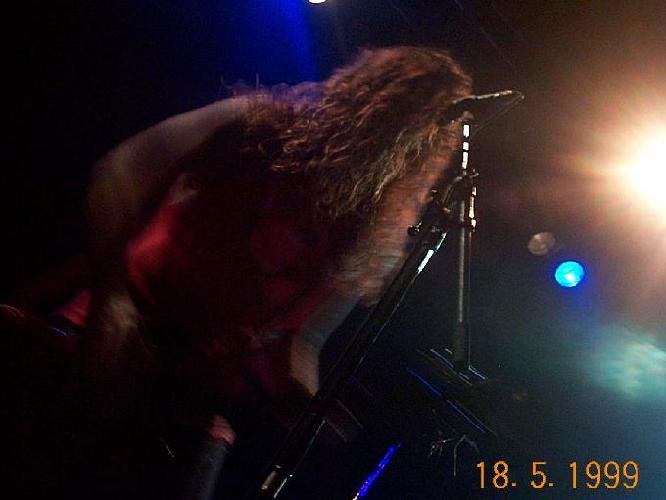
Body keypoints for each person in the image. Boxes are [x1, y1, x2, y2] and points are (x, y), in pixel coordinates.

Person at [6, 46, 472, 497]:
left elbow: (304, 342)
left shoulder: (371, 241)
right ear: (378, 108)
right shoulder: (257, 127)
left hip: (173, 409)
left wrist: (302, 405)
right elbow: (117, 175)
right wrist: (114, 301)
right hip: (95, 350)